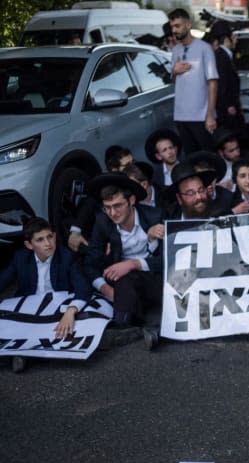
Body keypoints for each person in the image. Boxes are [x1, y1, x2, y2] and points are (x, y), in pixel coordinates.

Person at [84, 173, 165, 350]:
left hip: (154, 281)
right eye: (107, 207)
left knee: (128, 277)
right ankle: (141, 326)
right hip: (122, 287)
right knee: (123, 281)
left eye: (118, 205)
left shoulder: (155, 216)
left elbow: (169, 260)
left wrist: (132, 264)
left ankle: (123, 327)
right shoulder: (103, 222)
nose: (113, 213)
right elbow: (90, 262)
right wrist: (105, 289)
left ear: (132, 200)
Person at [0, 217, 90, 372]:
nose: (48, 243)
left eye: (49, 237)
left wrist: (70, 311)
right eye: (40, 240)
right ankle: (22, 355)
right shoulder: (20, 258)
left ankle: (23, 356)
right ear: (29, 245)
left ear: (54, 236)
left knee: (75, 328)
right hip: (30, 308)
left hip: (57, 309)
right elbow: (2, 281)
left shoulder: (67, 257)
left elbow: (83, 288)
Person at [168, 8, 219, 154]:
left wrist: (210, 114)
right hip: (181, 116)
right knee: (191, 160)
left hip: (201, 117)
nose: (174, 30)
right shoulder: (176, 51)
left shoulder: (204, 48)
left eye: (177, 26)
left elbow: (213, 82)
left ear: (188, 25)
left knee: (207, 160)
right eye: (172, 27)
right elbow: (173, 82)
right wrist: (174, 71)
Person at [207, 20, 244, 137]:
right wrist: (228, 105)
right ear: (228, 39)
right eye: (234, 37)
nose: (236, 40)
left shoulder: (225, 55)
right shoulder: (221, 57)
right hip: (226, 109)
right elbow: (221, 84)